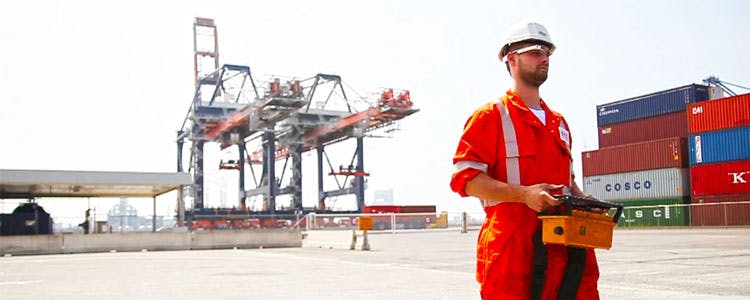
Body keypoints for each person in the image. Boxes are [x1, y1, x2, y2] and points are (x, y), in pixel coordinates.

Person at [450, 21, 600, 299]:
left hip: (566, 245)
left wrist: (585, 202)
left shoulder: (560, 124)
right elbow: (465, 180)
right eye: (534, 52)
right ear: (512, 59)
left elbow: (568, 182)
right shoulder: (490, 116)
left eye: (546, 53)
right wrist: (523, 195)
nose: (543, 58)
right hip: (513, 248)